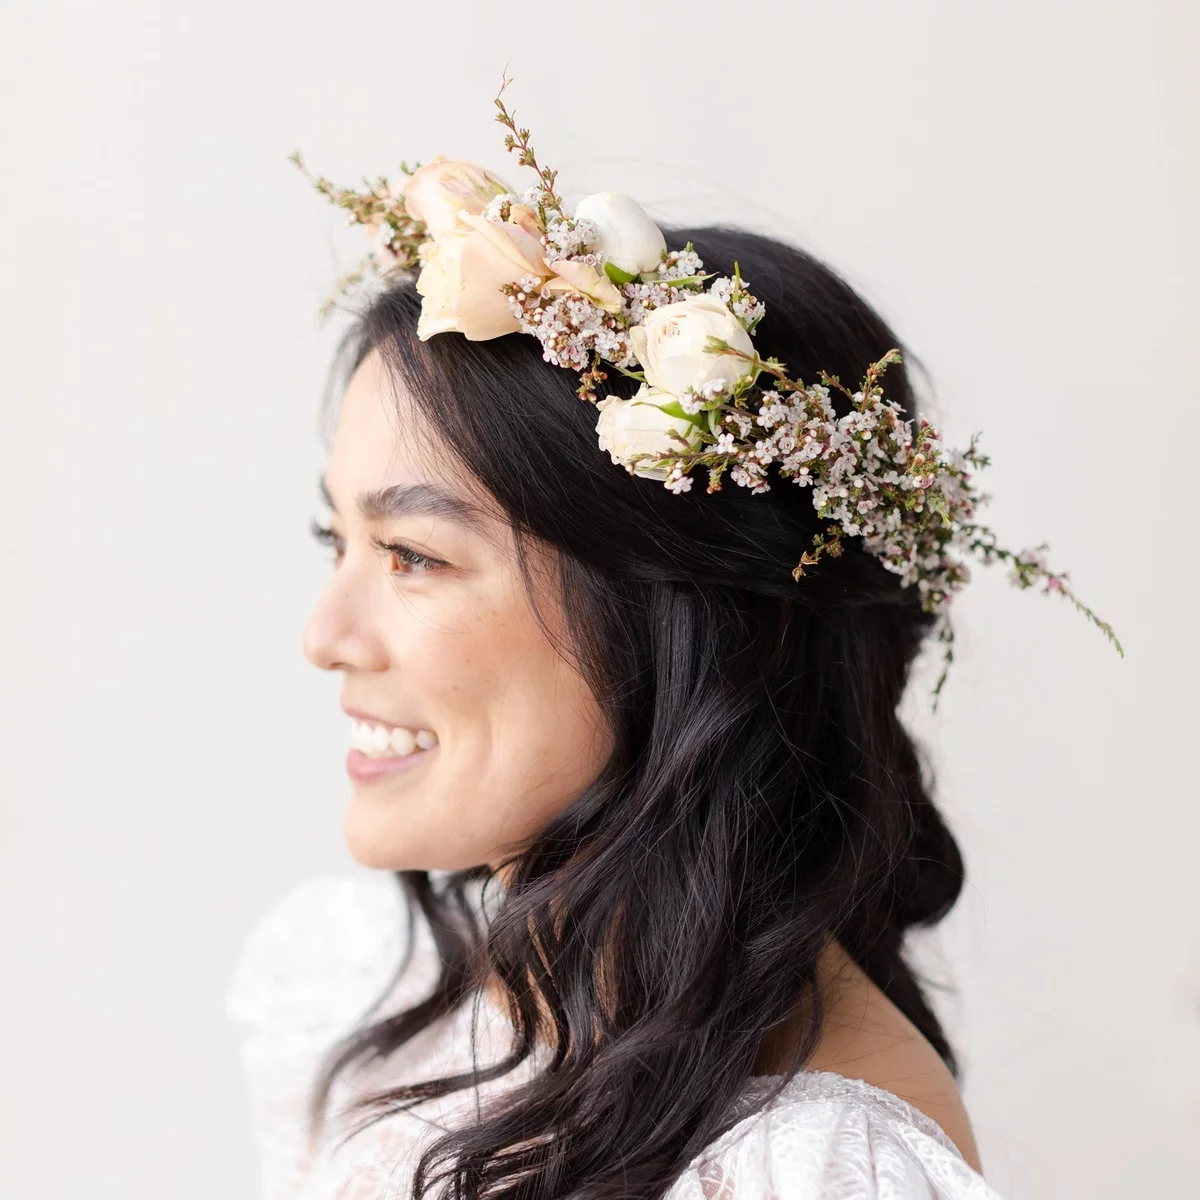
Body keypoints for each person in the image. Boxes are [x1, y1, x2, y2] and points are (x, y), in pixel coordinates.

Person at [228, 94, 1116, 1196]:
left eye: (413, 555)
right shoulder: (368, 993)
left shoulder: (813, 1168)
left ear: (678, 617)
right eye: (338, 541)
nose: (324, 637)